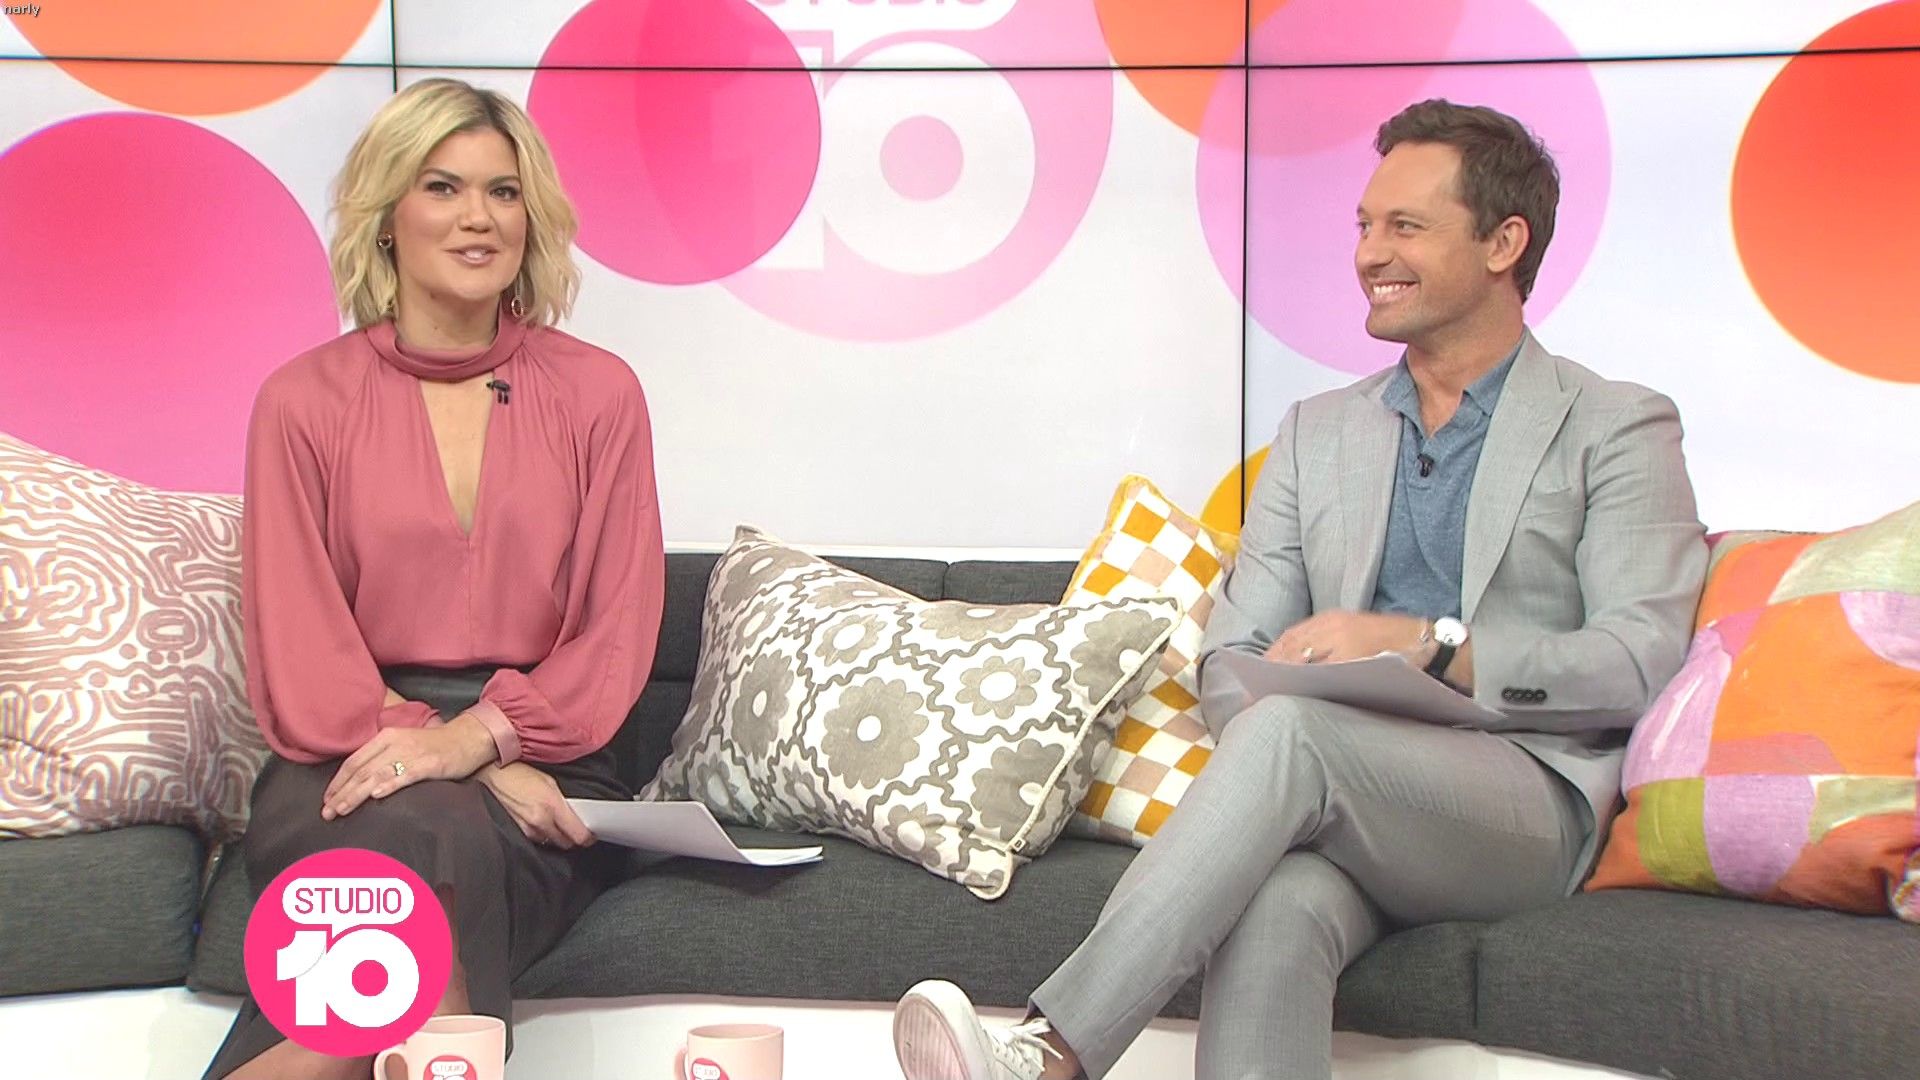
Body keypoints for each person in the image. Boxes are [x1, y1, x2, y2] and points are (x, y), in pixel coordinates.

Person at [892, 99, 1708, 1080]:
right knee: (1276, 906)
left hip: (1525, 803)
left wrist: (1428, 646)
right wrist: (1283, 722)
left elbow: (1637, 662)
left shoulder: (1616, 425)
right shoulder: (1318, 433)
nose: (1370, 253)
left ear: (1504, 242)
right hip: (1342, 798)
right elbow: (1231, 660)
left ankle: (1049, 1055)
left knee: (1291, 736)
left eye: (1405, 226)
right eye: (1364, 225)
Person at [206, 78, 665, 1080]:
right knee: (424, 833)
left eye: (503, 192)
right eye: (443, 187)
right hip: (348, 746)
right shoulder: (300, 402)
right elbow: (300, 646)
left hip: (551, 757)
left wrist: (485, 740)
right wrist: (459, 754)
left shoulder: (600, 394)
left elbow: (616, 629)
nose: (477, 218)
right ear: (387, 216)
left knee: (421, 854)